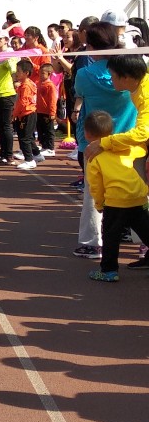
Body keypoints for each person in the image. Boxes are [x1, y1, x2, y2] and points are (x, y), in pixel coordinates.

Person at [71, 22, 136, 260]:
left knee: (94, 193)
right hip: (129, 141)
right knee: (135, 190)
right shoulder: (131, 71)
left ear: (91, 46)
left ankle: (91, 242)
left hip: (95, 143)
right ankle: (139, 238)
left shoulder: (85, 75)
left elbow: (81, 93)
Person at [84, 110, 149, 282]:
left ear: (87, 134)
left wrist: (99, 204)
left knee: (111, 236)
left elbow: (96, 185)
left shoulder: (94, 158)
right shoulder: (122, 147)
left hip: (115, 201)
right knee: (145, 229)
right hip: (138, 195)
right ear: (112, 132)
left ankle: (109, 270)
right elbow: (140, 150)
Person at [0, 28, 18, 165]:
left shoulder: (8, 55)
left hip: (6, 94)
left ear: (6, 40)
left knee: (6, 126)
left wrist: (16, 80)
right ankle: (3, 153)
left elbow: (14, 69)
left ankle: (9, 155)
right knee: (0, 126)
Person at [11, 58, 39, 170]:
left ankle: (29, 160)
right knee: (28, 137)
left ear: (26, 73)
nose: (16, 73)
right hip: (28, 113)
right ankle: (37, 154)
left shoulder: (26, 86)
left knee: (24, 138)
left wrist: (14, 114)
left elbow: (22, 103)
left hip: (27, 113)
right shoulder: (27, 84)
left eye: (18, 71)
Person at [36, 63, 58, 156]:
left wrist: (52, 112)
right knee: (40, 129)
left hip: (47, 112)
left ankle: (50, 148)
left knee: (48, 130)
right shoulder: (38, 84)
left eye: (43, 73)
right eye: (40, 73)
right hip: (39, 111)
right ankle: (43, 145)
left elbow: (52, 100)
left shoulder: (50, 85)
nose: (40, 75)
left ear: (49, 74)